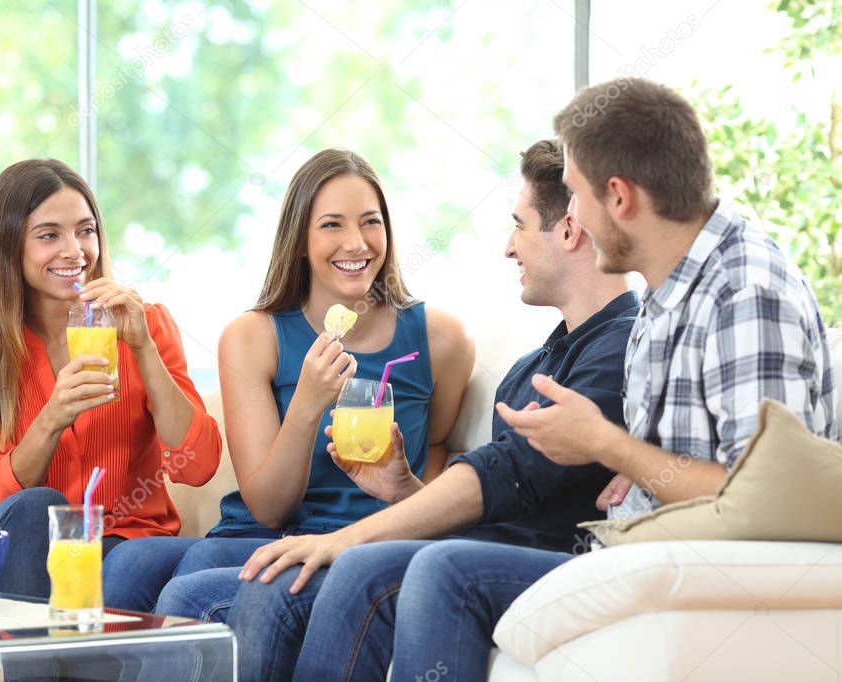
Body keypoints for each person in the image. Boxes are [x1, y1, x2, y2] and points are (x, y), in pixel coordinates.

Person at [238, 78, 836, 680]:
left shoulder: (743, 291)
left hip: (673, 564)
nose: (570, 219)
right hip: (630, 547)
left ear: (619, 198)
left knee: (420, 571)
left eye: (574, 197)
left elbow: (763, 496)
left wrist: (609, 446)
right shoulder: (666, 299)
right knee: (379, 570)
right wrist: (635, 465)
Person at [159, 138, 640, 681]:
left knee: (296, 583)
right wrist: (404, 489)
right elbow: (496, 489)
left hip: (529, 562)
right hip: (467, 546)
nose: (509, 247)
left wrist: (347, 536)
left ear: (571, 230)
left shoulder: (622, 347)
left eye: (520, 225)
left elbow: (512, 474)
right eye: (332, 225)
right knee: (192, 584)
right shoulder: (539, 360)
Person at [146, 148, 475, 619]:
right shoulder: (252, 337)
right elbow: (268, 510)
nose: (357, 243)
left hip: (364, 543)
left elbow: (437, 451)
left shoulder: (442, 341)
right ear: (299, 240)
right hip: (263, 532)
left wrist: (406, 519)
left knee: (188, 591)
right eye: (332, 225)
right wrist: (307, 402)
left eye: (370, 222)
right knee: (134, 571)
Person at [0, 158, 221, 607]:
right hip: (33, 552)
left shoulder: (145, 325)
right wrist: (51, 419)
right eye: (49, 235)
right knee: (34, 509)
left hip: (131, 543)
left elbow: (197, 464)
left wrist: (144, 349)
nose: (75, 250)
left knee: (122, 567)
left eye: (85, 230)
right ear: (9, 245)